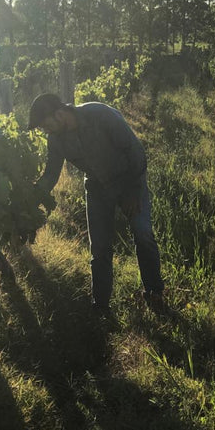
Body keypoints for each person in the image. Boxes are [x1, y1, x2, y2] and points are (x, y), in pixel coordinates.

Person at [28, 93, 164, 316]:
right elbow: (50, 176)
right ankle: (101, 306)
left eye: (46, 125)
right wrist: (30, 198)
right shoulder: (56, 140)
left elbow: (136, 153)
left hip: (130, 179)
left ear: (60, 114)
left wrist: (131, 191)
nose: (46, 131)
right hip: (98, 187)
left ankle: (154, 292)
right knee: (99, 247)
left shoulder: (100, 115)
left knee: (142, 232)